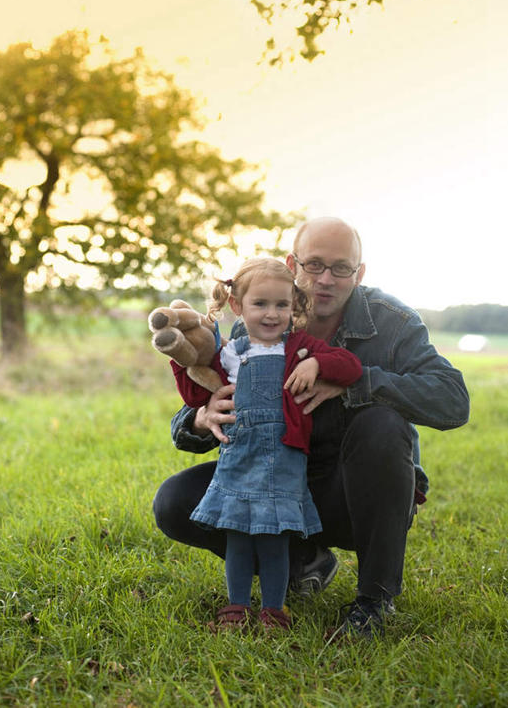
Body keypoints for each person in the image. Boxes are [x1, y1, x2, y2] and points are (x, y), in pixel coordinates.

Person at [153, 217, 470, 638]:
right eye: (314, 264)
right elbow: (191, 411)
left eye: (341, 269)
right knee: (175, 501)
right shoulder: (260, 316)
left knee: (381, 423)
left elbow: (452, 399)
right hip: (273, 481)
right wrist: (201, 416)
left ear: (359, 274)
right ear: (292, 263)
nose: (325, 279)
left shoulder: (392, 322)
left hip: (354, 492)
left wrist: (353, 382)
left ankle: (375, 601)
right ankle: (301, 560)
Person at [167, 257, 362, 630]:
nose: (272, 314)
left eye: (282, 305)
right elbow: (195, 392)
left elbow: (350, 366)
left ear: (294, 307)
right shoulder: (229, 353)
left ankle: (274, 609)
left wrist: (317, 366)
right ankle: (237, 606)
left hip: (285, 463)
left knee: (275, 540)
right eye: (260, 304)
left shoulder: (300, 348)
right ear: (238, 306)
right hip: (238, 459)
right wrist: (180, 361)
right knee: (238, 536)